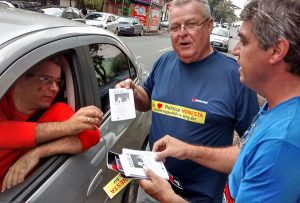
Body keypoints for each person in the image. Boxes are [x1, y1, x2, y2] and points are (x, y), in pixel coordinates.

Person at [139, 0, 300, 202]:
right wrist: (188, 150)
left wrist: (168, 198)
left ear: (277, 50)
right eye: (174, 27)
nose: (235, 49)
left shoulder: (282, 140)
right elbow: (247, 153)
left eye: (244, 41)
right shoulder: (275, 107)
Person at [116, 0, 259, 201]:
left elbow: (252, 149)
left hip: (200, 197)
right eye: (174, 27)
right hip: (152, 188)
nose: (182, 33)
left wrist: (191, 152)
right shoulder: (164, 62)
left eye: (191, 24)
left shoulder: (236, 76)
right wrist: (134, 91)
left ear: (209, 25)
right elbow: (147, 102)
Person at [0, 56, 103, 192]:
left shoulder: (56, 111)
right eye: (46, 79)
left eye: (57, 82)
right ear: (21, 79)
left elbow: (92, 135)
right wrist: (66, 127)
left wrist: (37, 152)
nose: (55, 88)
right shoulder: (2, 102)